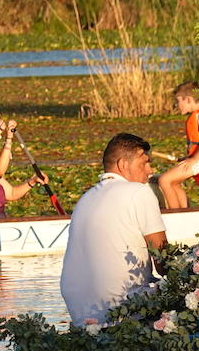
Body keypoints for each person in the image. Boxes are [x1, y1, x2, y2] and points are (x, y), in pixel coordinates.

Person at [60, 133, 167, 327]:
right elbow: (163, 261)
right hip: (121, 304)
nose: (150, 171)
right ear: (123, 164)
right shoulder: (139, 192)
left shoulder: (85, 198)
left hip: (80, 311)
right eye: (145, 163)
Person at [156, 82, 199, 209]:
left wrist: (193, 159)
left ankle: (176, 215)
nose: (177, 105)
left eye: (178, 101)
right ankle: (183, 211)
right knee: (174, 183)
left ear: (188, 99)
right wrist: (188, 157)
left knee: (164, 180)